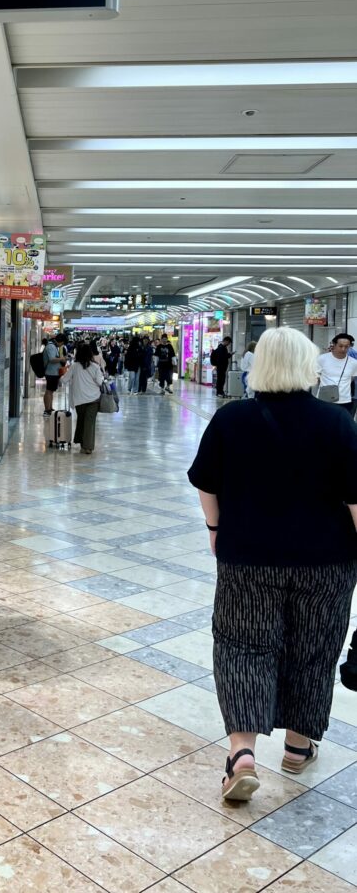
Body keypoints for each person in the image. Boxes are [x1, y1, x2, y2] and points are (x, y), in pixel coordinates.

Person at [187, 327, 357, 802]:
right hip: (326, 562)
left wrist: (215, 529)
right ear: (309, 366)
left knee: (242, 646)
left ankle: (241, 754)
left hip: (248, 557)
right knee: (314, 648)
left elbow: (205, 483)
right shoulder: (337, 422)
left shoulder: (232, 419)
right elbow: (355, 498)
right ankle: (298, 748)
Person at [71, 342, 104, 455]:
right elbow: (100, 382)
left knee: (81, 420)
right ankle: (88, 447)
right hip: (93, 399)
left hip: (79, 400)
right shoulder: (95, 367)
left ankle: (82, 444)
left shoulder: (74, 366)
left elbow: (64, 379)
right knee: (89, 422)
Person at [318, 333, 357, 417]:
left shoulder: (354, 363)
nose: (343, 349)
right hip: (324, 399)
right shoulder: (322, 359)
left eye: (346, 347)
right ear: (334, 345)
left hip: (345, 400)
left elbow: (351, 378)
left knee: (342, 423)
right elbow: (316, 376)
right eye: (340, 346)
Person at [42, 332, 67, 416]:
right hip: (51, 372)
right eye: (62, 343)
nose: (61, 345)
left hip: (54, 372)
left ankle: (50, 408)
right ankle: (47, 410)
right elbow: (52, 359)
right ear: (60, 341)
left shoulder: (53, 346)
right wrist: (62, 359)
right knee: (49, 391)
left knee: (51, 391)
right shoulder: (51, 346)